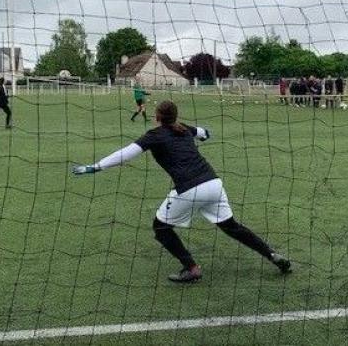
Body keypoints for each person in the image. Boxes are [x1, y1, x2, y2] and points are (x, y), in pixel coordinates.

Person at [72, 100, 292, 282]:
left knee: (160, 228)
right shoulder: (184, 128)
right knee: (231, 227)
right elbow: (204, 133)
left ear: (157, 117)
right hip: (214, 183)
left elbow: (126, 154)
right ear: (175, 116)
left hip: (190, 189)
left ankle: (192, 267)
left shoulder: (154, 135)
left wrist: (96, 167)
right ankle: (272, 255)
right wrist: (204, 135)